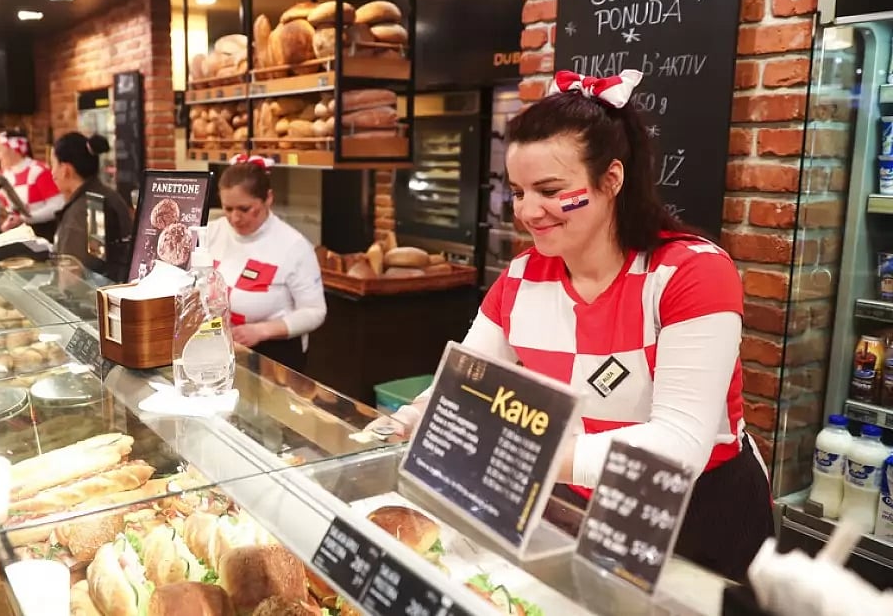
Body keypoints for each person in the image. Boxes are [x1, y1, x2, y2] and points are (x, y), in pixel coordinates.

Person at [374, 70, 773, 583]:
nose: (527, 211)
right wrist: (407, 420)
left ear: (612, 179)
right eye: (518, 192)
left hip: (695, 514)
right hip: (577, 502)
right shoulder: (522, 277)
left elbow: (680, 443)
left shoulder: (691, 273)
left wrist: (526, 452)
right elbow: (464, 384)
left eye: (549, 190)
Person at [206, 155, 326, 372]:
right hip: (219, 348)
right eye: (228, 209)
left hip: (276, 357)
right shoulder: (213, 232)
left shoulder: (294, 246)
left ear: (268, 198)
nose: (235, 218)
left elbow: (314, 311)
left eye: (245, 209)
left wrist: (261, 331)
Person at [50, 132, 133, 282]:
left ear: (66, 169)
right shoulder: (107, 195)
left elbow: (73, 277)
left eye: (53, 165)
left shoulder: (87, 210)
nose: (52, 173)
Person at [0, 128, 64, 240]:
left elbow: (58, 206)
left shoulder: (39, 171)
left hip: (42, 236)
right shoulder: (4, 175)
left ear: (13, 149)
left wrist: (26, 218)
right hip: (18, 235)